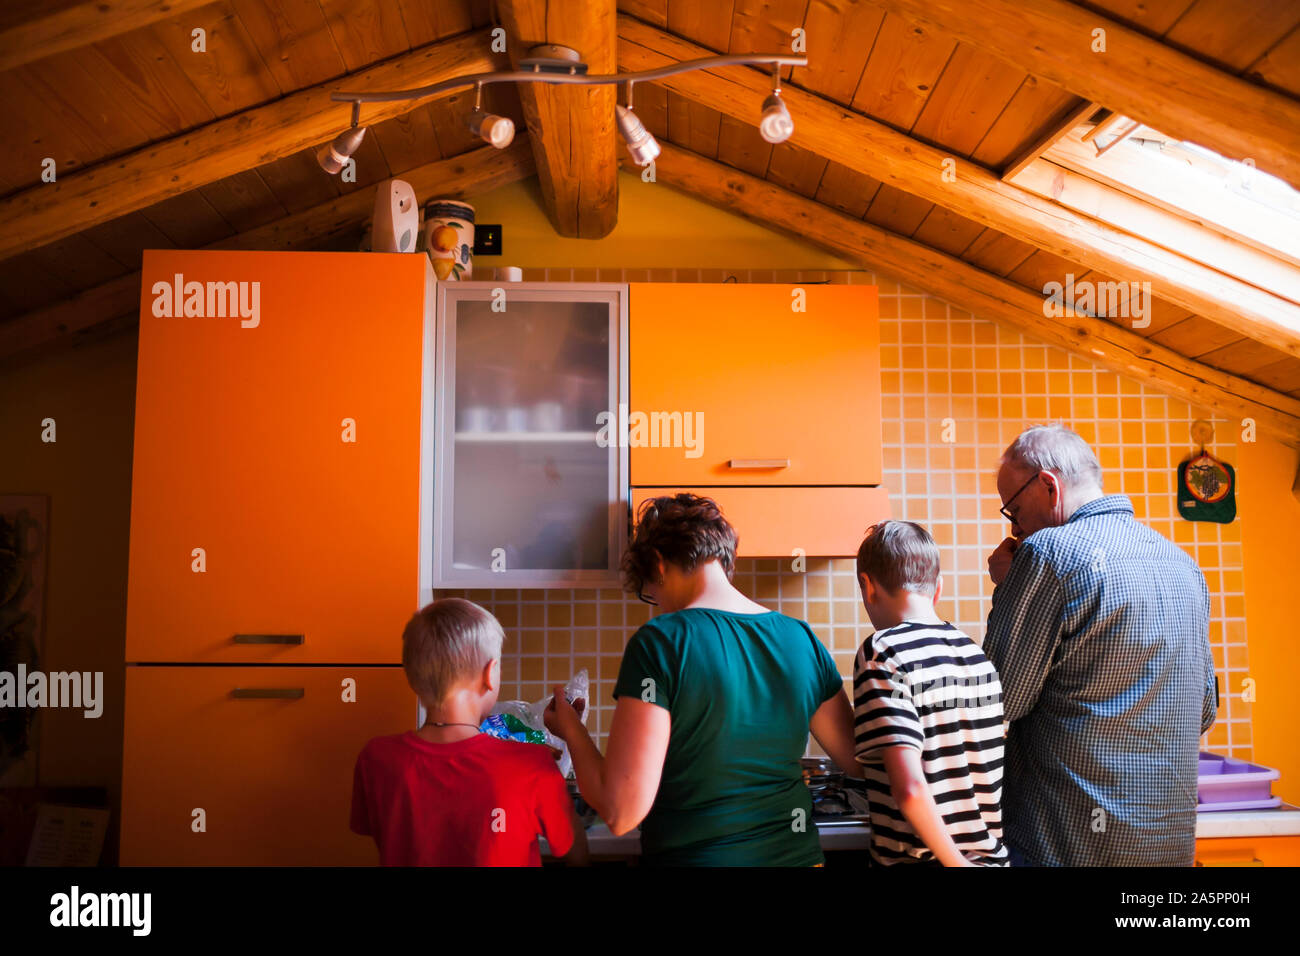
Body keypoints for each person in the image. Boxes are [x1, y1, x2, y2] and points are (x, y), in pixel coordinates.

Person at [544, 493, 858, 866]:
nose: (657, 602)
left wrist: (571, 729)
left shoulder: (661, 641)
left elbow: (622, 811)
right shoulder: (801, 639)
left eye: (651, 591)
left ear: (658, 564)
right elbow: (859, 759)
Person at [984, 424, 1217, 866]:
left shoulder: (1047, 555)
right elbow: (1204, 709)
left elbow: (1002, 699)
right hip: (1166, 849)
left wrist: (1007, 586)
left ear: (1048, 487)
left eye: (1013, 511)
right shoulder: (1183, 564)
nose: (1015, 528)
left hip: (1067, 847)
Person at [350, 598, 588, 866]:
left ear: (411, 676)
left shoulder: (376, 758)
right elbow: (574, 853)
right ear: (491, 673)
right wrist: (568, 738)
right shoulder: (532, 763)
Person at [852, 521, 1007, 867]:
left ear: (867, 586)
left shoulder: (883, 652)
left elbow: (909, 788)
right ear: (938, 588)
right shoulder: (975, 656)